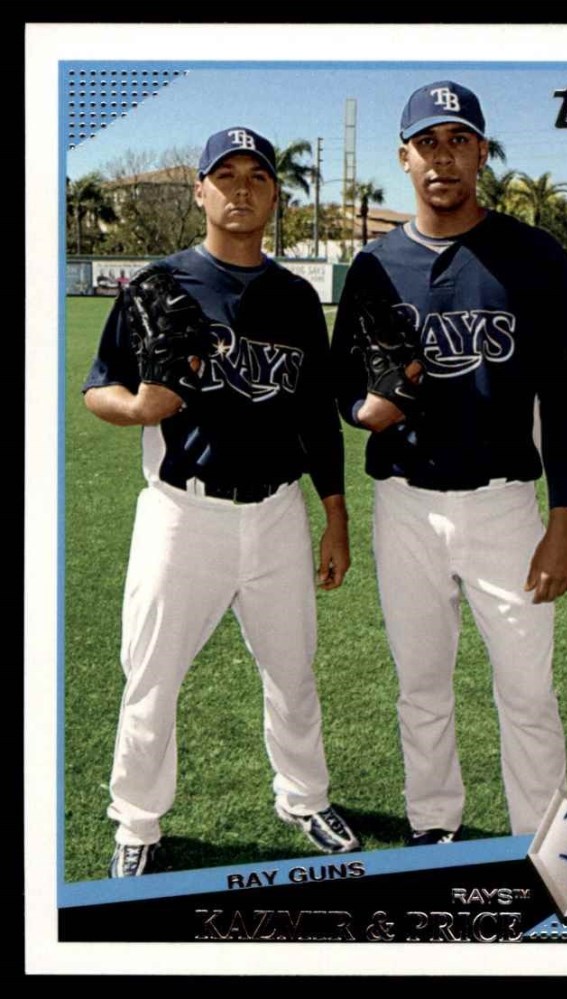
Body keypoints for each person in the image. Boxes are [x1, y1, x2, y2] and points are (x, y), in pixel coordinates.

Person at [83, 126, 359, 877]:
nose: (241, 188)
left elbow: (315, 419)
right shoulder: (160, 285)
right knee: (151, 675)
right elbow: (98, 387)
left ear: (275, 195)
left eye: (257, 176)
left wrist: (335, 516)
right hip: (184, 514)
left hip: (277, 513)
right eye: (225, 175)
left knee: (293, 670)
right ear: (200, 191)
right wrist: (137, 408)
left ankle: (303, 796)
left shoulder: (296, 298)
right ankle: (138, 821)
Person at [333, 82, 567, 845]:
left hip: (505, 507)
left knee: (528, 692)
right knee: (421, 687)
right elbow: (343, 386)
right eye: (427, 143)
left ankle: (542, 843)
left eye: (457, 141)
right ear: (404, 159)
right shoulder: (373, 266)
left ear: (481, 153)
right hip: (404, 505)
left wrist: (564, 522)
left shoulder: (534, 257)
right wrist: (363, 412)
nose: (442, 158)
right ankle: (433, 827)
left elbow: (563, 404)